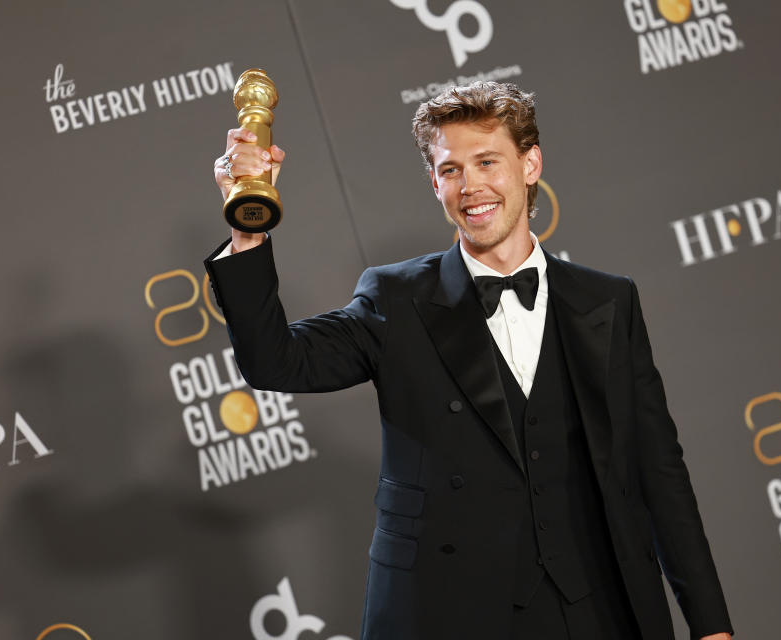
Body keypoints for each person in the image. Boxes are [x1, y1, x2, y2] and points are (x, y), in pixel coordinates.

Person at [205, 82, 733, 640]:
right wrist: (248, 228)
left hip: (597, 610)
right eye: (451, 169)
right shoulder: (396, 299)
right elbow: (276, 363)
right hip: (449, 612)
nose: (471, 186)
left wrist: (710, 626)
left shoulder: (608, 301)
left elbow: (659, 470)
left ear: (530, 164)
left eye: (487, 162)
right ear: (434, 182)